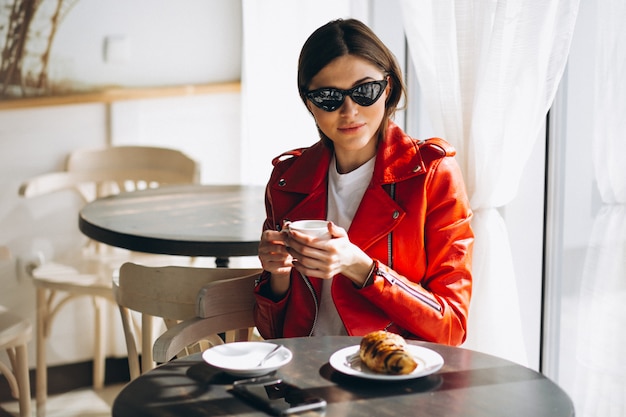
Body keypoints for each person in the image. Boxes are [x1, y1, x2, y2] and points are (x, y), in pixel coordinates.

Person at [253, 18, 473, 346]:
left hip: (389, 375)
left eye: (364, 92)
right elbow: (272, 334)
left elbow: (451, 327)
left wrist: (359, 266)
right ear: (309, 103)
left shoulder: (431, 175)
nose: (350, 111)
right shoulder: (287, 180)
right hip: (302, 371)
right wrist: (278, 277)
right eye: (329, 97)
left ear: (388, 89)